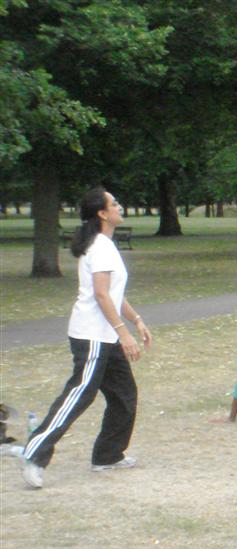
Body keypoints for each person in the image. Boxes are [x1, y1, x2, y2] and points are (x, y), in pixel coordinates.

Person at [21, 187, 152, 489]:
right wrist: (124, 333)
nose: (120, 206)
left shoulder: (105, 244)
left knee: (124, 396)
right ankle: (34, 454)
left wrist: (137, 321)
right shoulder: (101, 247)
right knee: (79, 394)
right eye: (114, 203)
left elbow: (114, 295)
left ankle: (107, 456)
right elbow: (101, 294)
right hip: (93, 336)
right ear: (102, 214)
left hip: (106, 335)